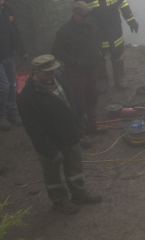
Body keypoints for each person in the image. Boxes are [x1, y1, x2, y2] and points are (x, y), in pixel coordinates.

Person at [17, 55, 102, 215]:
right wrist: (51, 152)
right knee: (52, 174)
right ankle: (59, 201)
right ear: (36, 72)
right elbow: (34, 131)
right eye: (48, 72)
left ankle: (79, 194)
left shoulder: (59, 76)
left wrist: (81, 112)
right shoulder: (28, 97)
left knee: (75, 168)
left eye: (53, 70)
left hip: (70, 135)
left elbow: (72, 95)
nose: (53, 74)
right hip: (51, 143)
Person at [74, 0, 139, 92]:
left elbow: (123, 4)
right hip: (96, 30)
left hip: (114, 27)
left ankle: (120, 78)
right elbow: (78, 12)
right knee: (99, 56)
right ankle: (102, 80)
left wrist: (131, 20)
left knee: (117, 53)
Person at [52, 2, 107, 138]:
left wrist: (99, 50)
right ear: (76, 15)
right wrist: (76, 62)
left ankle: (92, 125)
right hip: (75, 71)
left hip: (92, 67)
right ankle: (80, 132)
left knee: (92, 96)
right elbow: (56, 51)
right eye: (84, 15)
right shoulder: (65, 30)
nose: (87, 17)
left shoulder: (92, 22)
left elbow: (99, 34)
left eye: (88, 13)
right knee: (78, 100)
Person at [0, 0, 28, 131]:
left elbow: (15, 31)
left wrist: (22, 50)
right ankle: (1, 116)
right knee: (3, 87)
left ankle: (12, 113)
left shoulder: (7, 10)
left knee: (11, 85)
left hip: (8, 55)